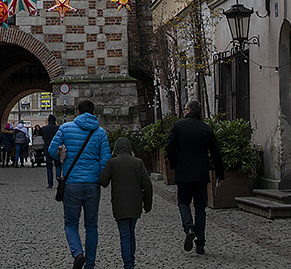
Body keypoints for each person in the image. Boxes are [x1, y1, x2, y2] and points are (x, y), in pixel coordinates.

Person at [49, 100, 112, 269]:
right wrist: (96, 175)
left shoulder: (65, 128)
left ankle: (77, 254)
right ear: (93, 113)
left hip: (72, 184)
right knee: (91, 226)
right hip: (92, 185)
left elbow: (51, 150)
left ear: (78, 112)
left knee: (71, 223)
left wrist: (62, 153)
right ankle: (90, 264)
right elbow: (105, 161)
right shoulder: (100, 133)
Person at [164, 101, 225, 256]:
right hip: (200, 174)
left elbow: (169, 146)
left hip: (183, 173)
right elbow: (216, 152)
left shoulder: (178, 126)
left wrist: (174, 163)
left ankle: (189, 227)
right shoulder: (206, 129)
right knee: (200, 208)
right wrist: (220, 172)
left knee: (183, 203)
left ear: (188, 110)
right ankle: (200, 243)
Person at [98, 136, 153, 269]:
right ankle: (131, 261)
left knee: (124, 235)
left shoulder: (112, 163)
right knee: (131, 232)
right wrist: (147, 204)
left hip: (119, 203)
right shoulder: (138, 162)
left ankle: (128, 264)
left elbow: (103, 181)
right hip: (135, 203)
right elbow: (147, 184)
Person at [39, 114, 61, 188]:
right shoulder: (58, 128)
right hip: (56, 148)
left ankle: (50, 184)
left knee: (49, 167)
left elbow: (41, 135)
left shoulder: (44, 129)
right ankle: (58, 179)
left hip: (47, 148)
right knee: (58, 165)